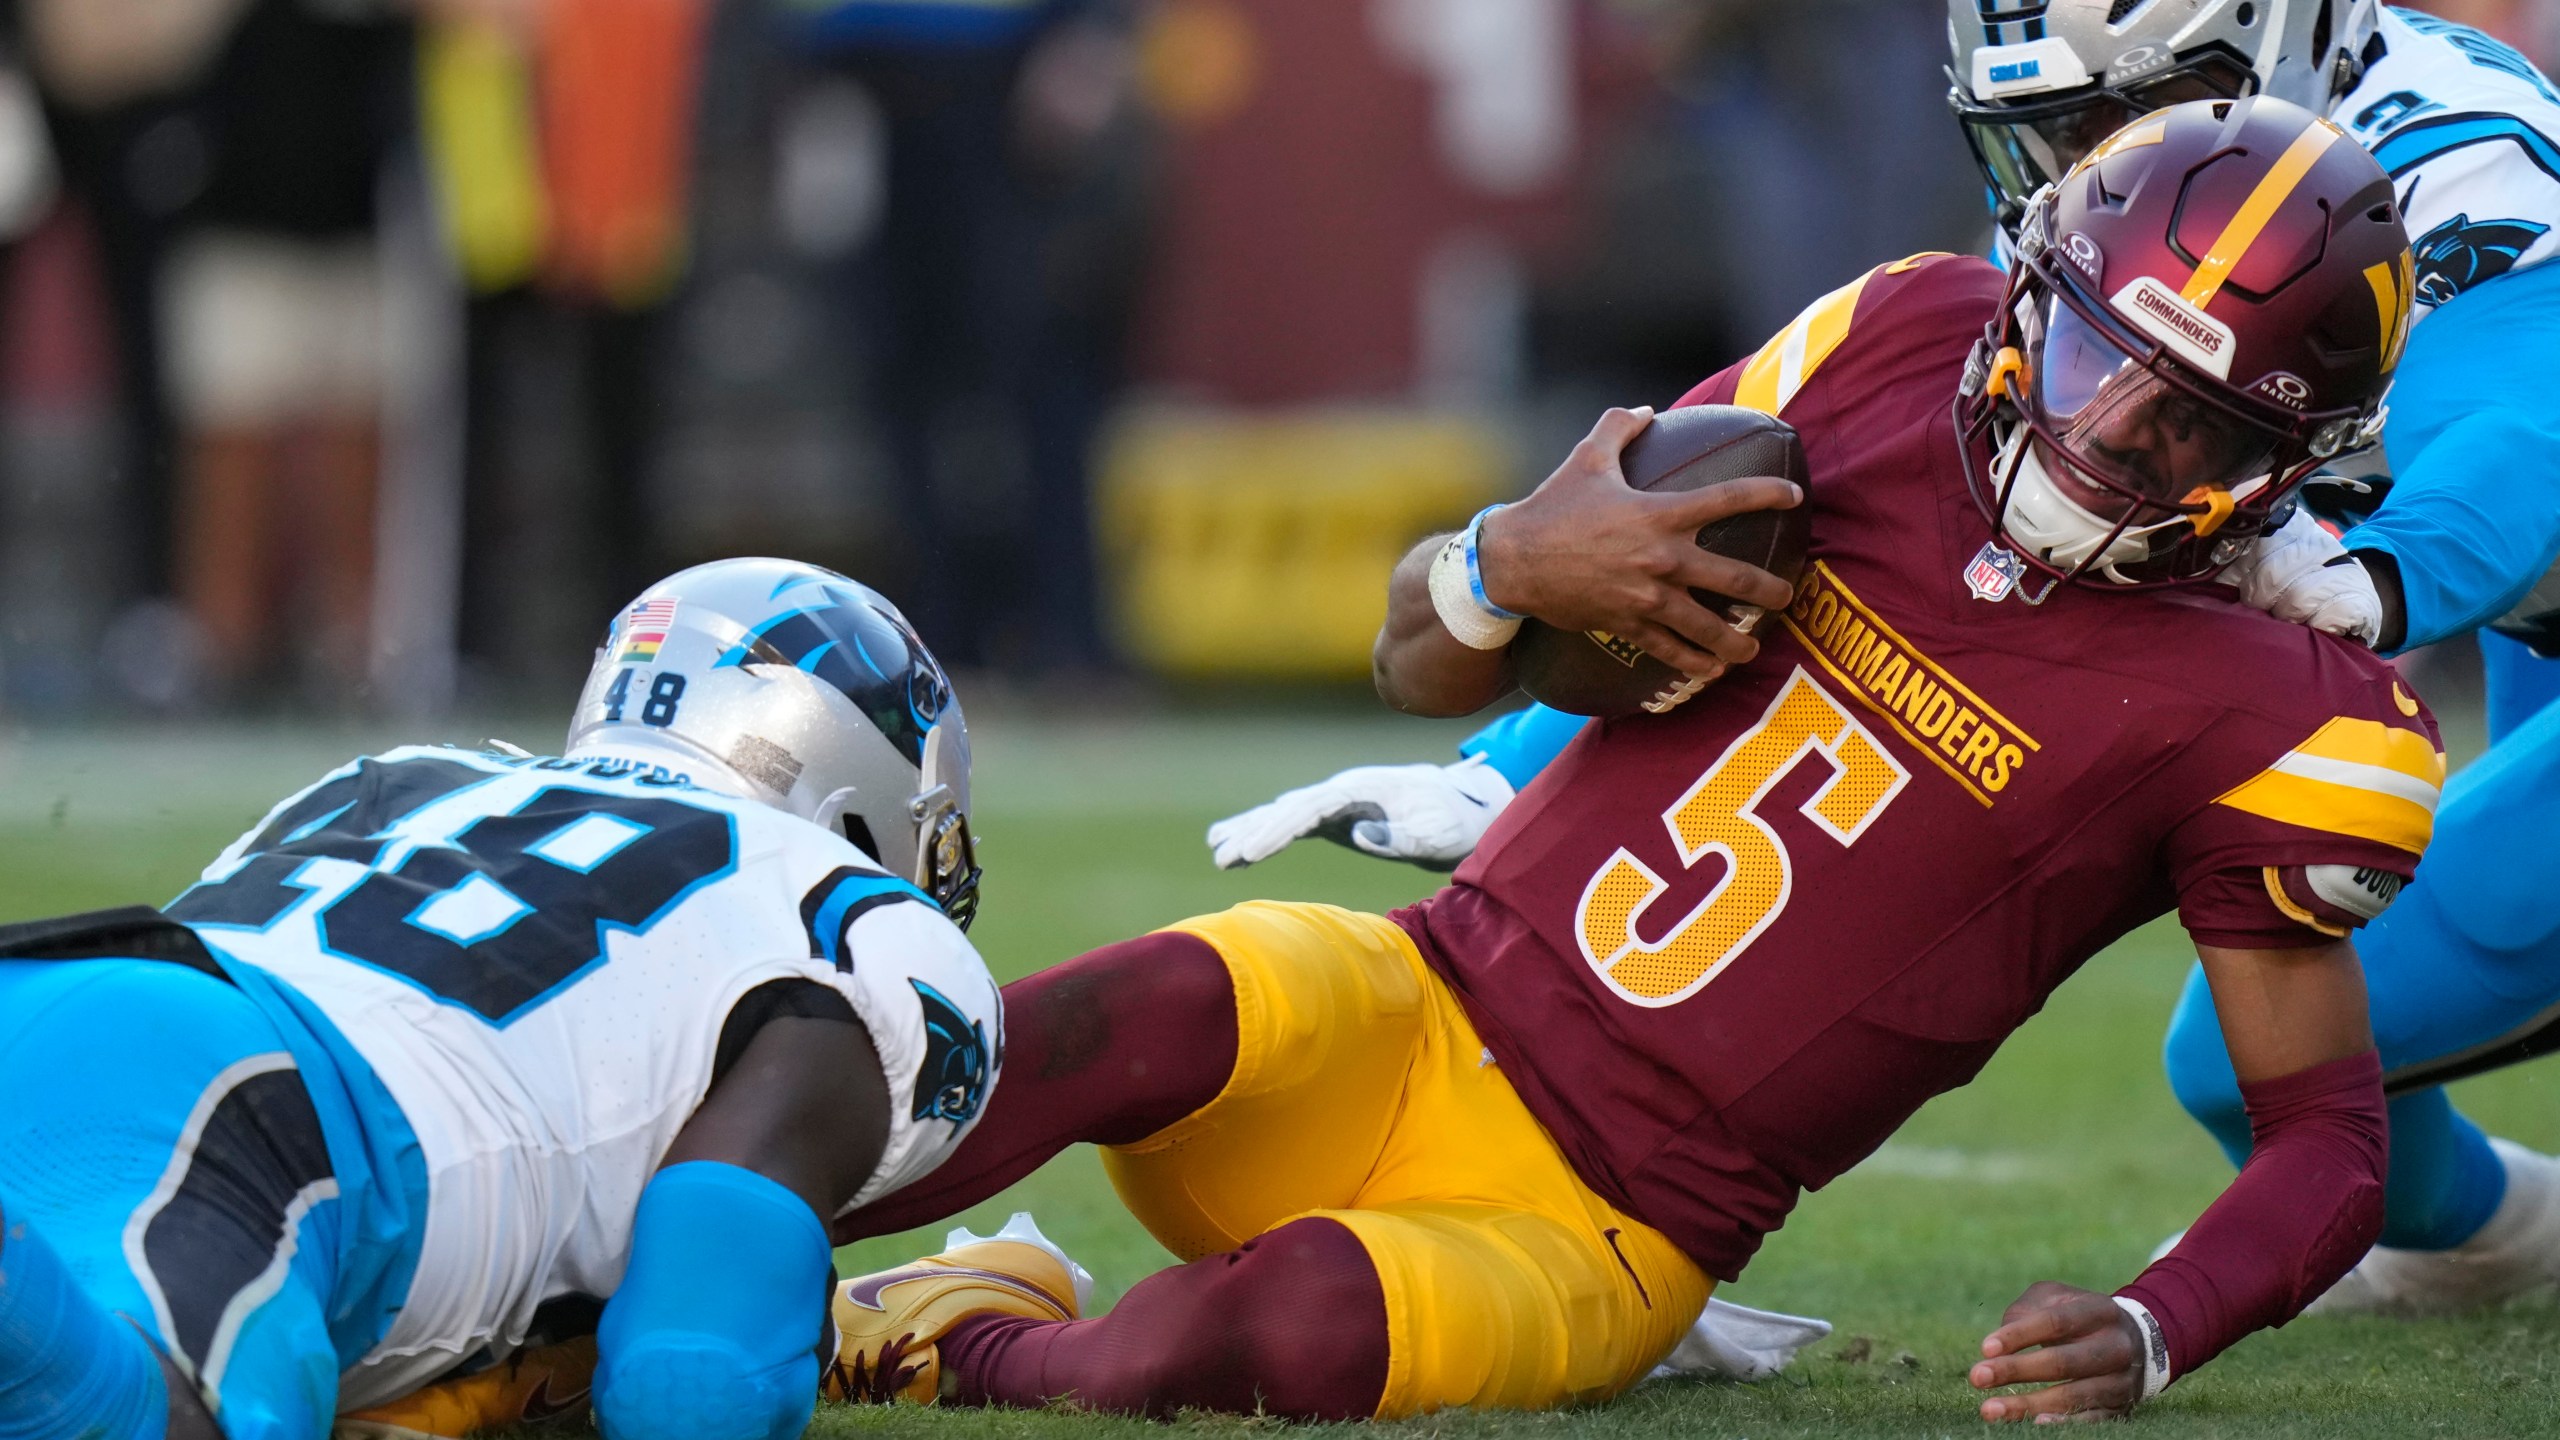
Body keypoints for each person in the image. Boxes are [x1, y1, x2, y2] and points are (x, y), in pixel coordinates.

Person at [827, 99, 2430, 1424]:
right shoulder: (1896, 339)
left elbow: (2331, 1141)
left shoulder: (2282, 716)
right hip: (1414, 1002)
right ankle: (627, 1249)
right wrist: (1495, 569)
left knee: (1284, 1334)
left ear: (2285, 464)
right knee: (1096, 1021)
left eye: (2187, 429)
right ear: (2028, 296)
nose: (2105, 439)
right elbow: (1413, 661)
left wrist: (2156, 1326)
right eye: (2095, 365)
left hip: (1602, 1222)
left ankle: (954, 1328)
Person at [1215, 0, 2560, 1316]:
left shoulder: (2452, 156)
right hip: (2534, 631)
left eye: (2102, 117)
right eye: (2038, 130)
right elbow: (1886, 532)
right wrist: (1513, 760)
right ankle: (2489, 1239)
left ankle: (2489, 1235)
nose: (2070, 163)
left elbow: (2518, 436)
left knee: (2238, 1056)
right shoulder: (2128, 189)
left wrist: (2385, 578)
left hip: (2514, 582)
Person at [0, 558, 1001, 1440]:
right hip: (275, 1114)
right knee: (132, 1417)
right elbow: (691, 1384)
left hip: (85, 988)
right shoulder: (850, 924)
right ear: (857, 794)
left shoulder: (407, 775)